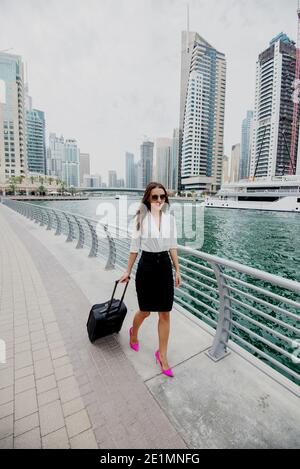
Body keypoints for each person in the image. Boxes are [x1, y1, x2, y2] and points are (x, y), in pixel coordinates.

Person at [119, 182, 181, 377]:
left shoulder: (170, 219)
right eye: (155, 197)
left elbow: (172, 246)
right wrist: (127, 271)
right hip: (146, 267)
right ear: (148, 198)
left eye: (162, 197)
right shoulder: (140, 219)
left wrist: (177, 270)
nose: (159, 200)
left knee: (165, 313)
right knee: (145, 311)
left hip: (164, 266)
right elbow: (134, 248)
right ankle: (133, 332)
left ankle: (162, 355)